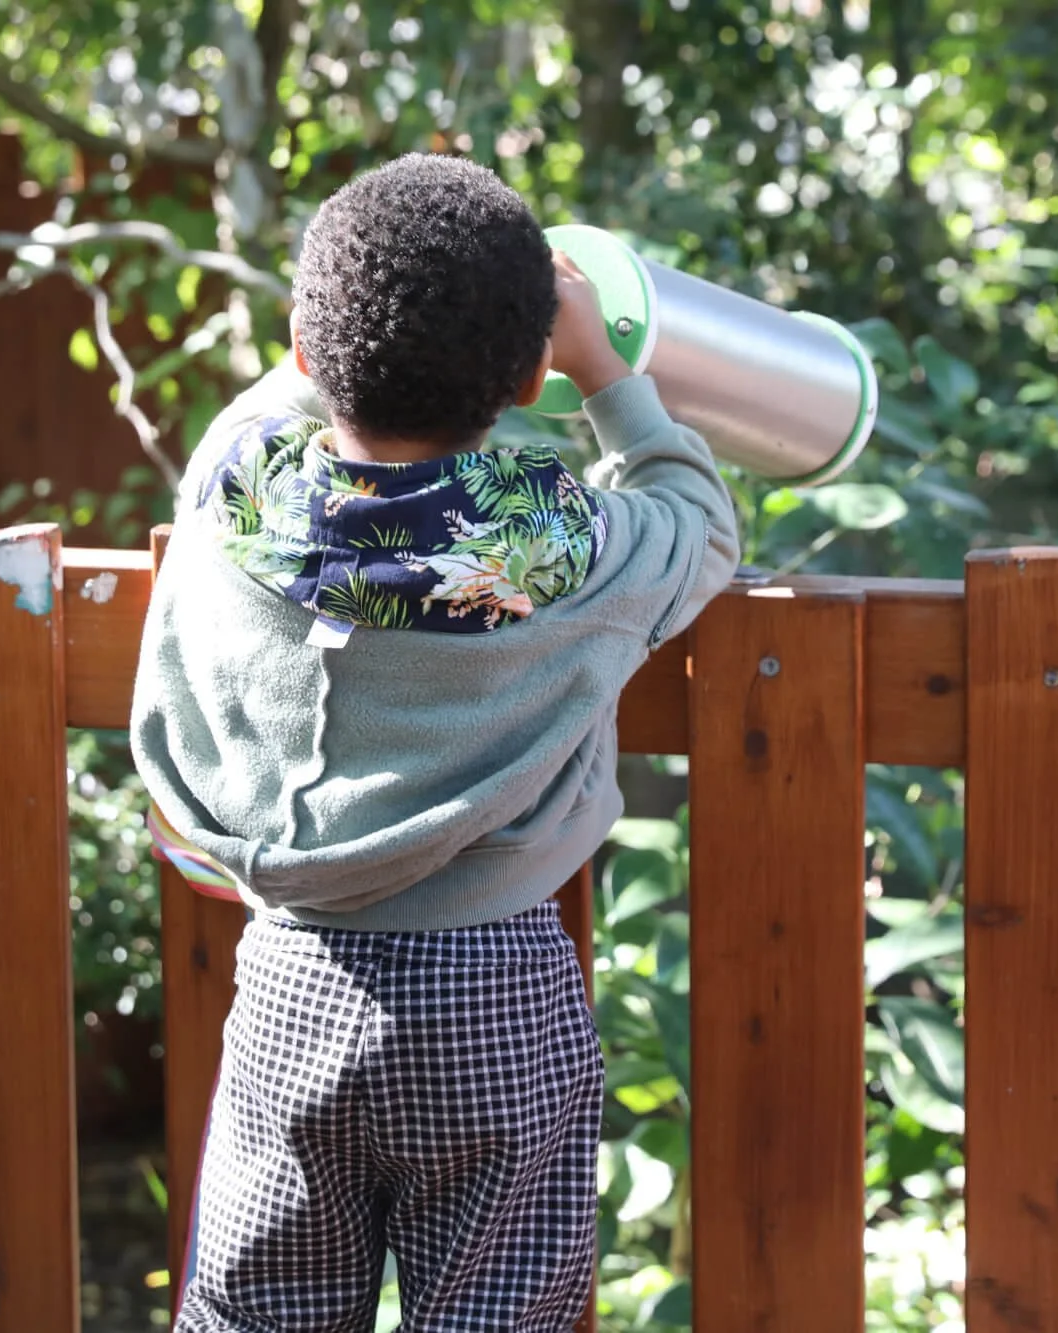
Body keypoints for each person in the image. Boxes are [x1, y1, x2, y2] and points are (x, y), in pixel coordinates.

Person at [130, 152, 739, 1332]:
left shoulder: (237, 496)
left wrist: (344, 332)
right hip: (493, 986)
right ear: (525, 377)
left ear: (307, 353)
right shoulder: (552, 538)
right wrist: (607, 373)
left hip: (293, 980)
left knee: (260, 1311)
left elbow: (274, 402)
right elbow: (696, 522)